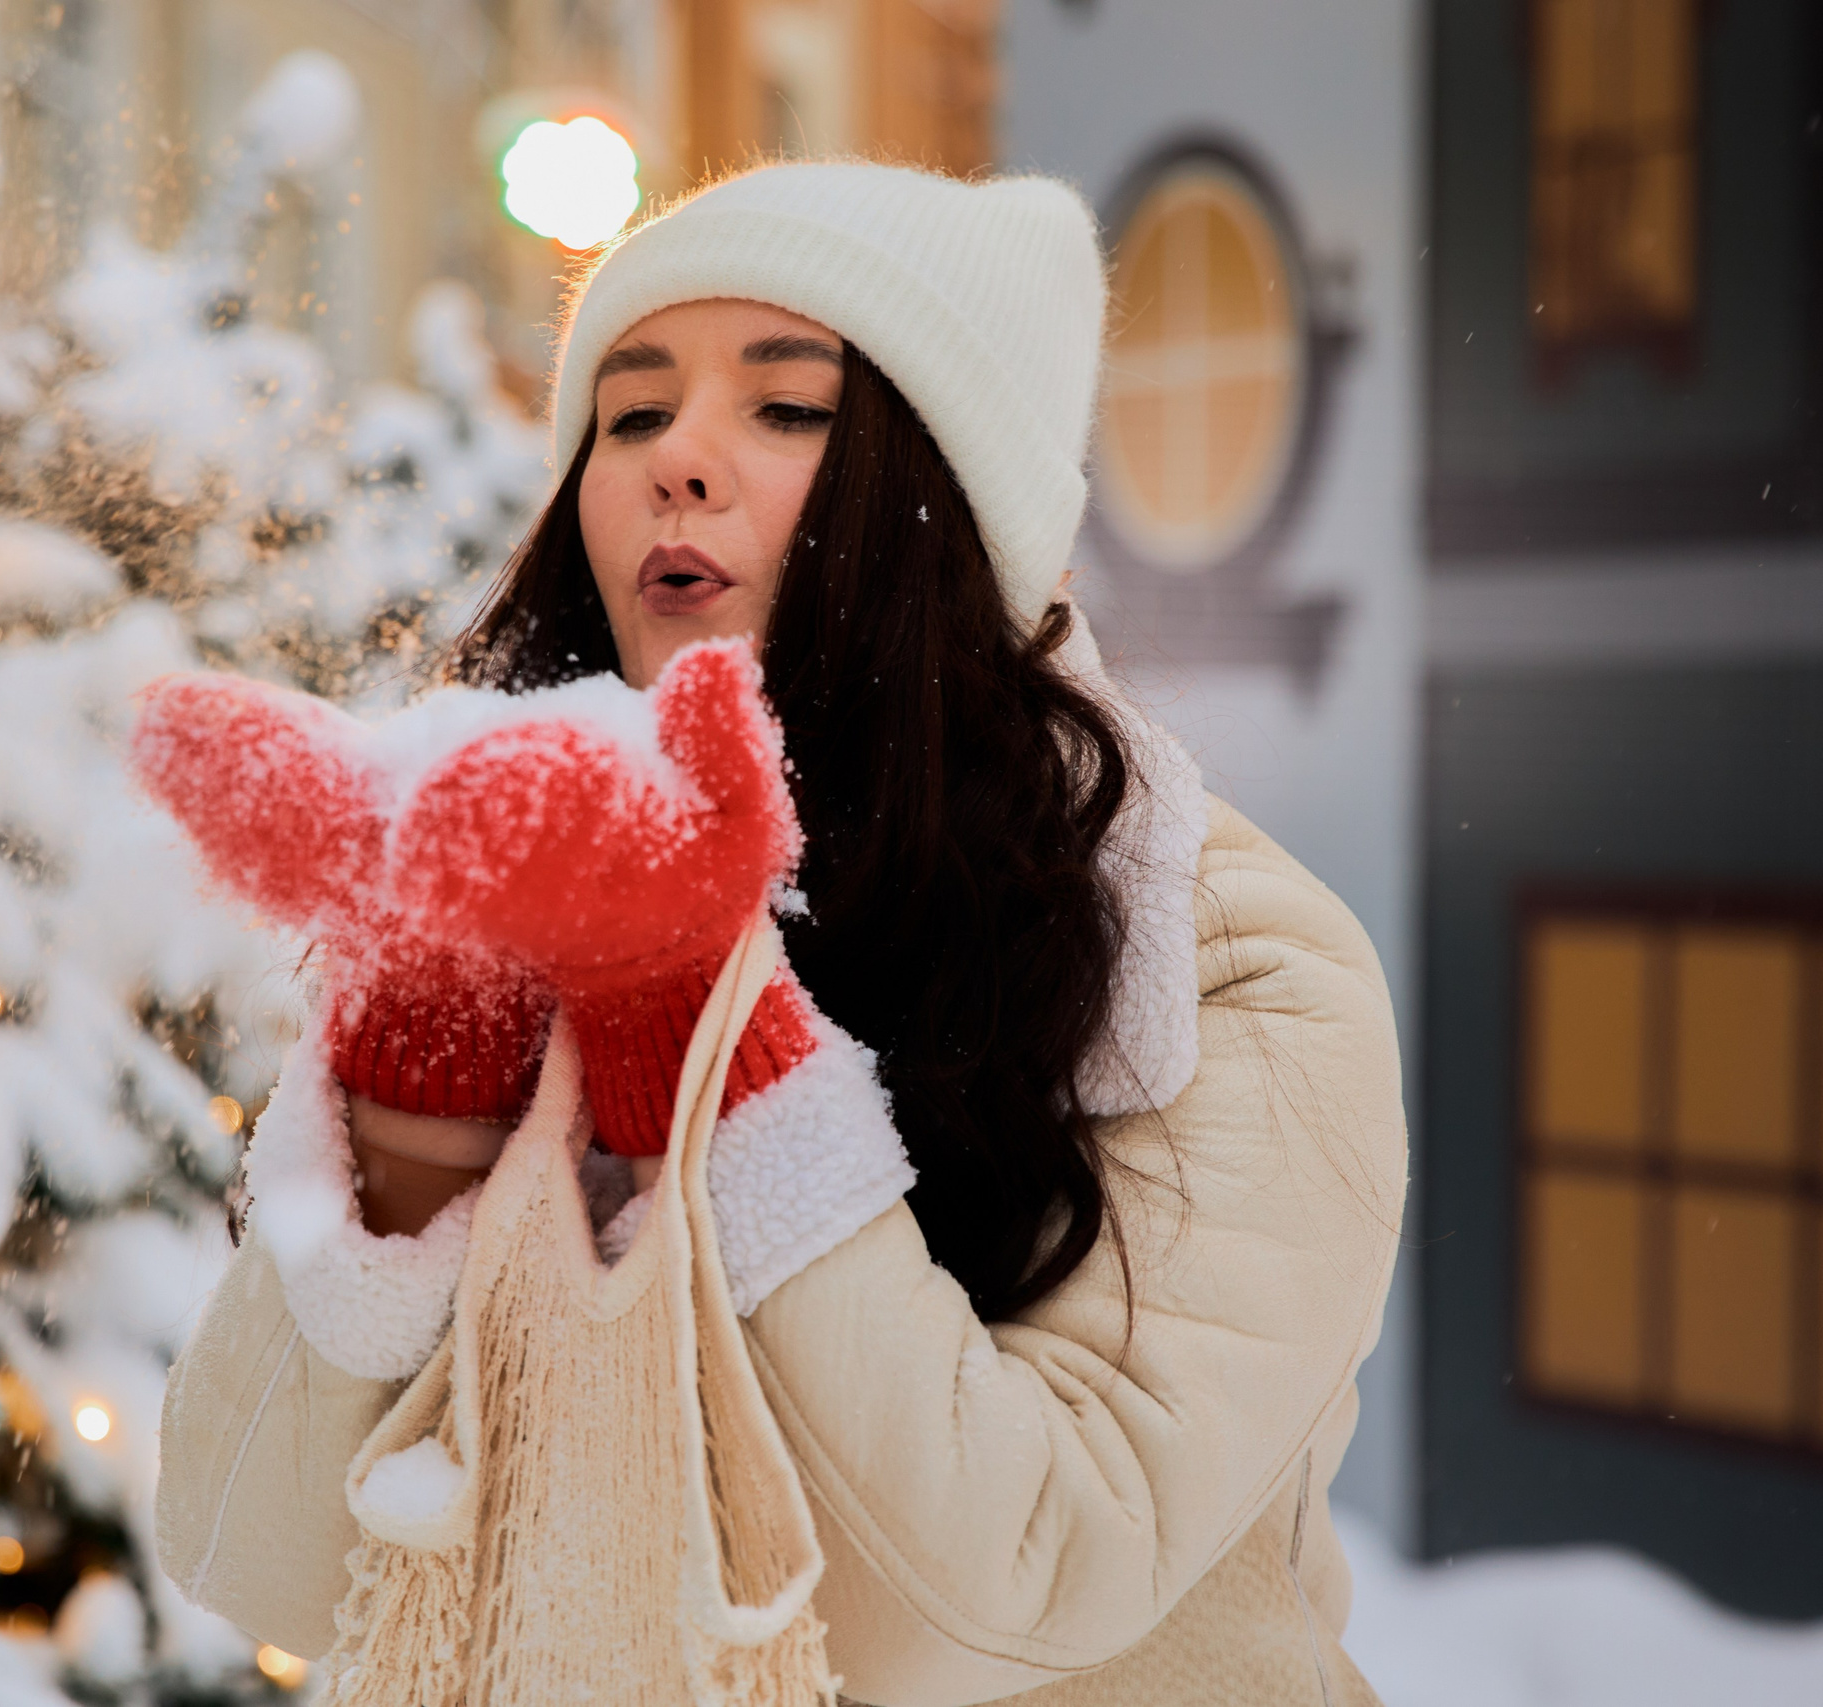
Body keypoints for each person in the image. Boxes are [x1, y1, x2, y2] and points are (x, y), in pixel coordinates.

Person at [144, 162, 1405, 1704]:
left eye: (788, 409)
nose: (680, 458)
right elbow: (258, 1557)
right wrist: (432, 1058)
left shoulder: (1225, 967)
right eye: (631, 412)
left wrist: (699, 1024)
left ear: (951, 494)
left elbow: (1005, 1599)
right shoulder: (530, 872)